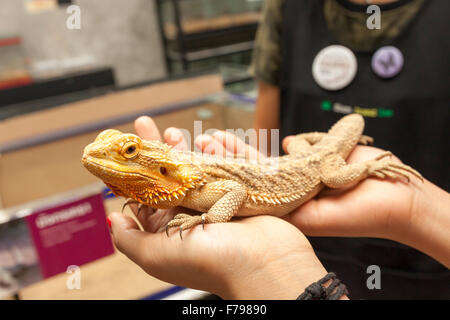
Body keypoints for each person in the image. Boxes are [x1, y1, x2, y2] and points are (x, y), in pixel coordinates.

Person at [107, 116, 450, 300]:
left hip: (315, 164)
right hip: (303, 154)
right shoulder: (184, 184)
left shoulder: (198, 193)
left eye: (129, 153)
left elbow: (235, 188)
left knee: (337, 174)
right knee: (296, 144)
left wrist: (209, 219)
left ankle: (368, 165)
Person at [248, 0, 450, 298]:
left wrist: (417, 211)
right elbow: (266, 139)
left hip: (429, 264)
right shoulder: (286, 7)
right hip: (302, 250)